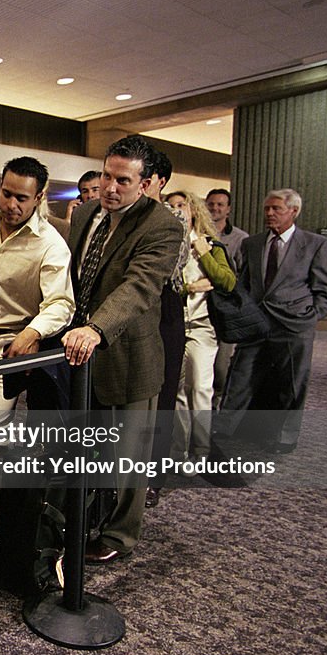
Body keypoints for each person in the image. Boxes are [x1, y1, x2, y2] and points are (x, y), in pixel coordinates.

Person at [62, 135, 183, 563]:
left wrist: (96, 327)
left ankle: (119, 536)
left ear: (147, 184)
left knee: (129, 457)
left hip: (128, 353)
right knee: (86, 444)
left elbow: (138, 288)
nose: (111, 188)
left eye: (123, 181)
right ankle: (82, 517)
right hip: (77, 355)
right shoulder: (86, 215)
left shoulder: (163, 226)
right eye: (106, 176)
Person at [0, 156, 74, 573]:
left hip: (6, 351)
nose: (11, 204)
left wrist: (34, 331)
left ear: (40, 197)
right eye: (6, 193)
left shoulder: (50, 244)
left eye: (22, 198)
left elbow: (61, 302)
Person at [214, 189, 327, 454]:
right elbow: (245, 283)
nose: (269, 214)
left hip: (294, 325)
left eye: (276, 209)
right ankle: (226, 427)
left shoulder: (315, 245)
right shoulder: (252, 244)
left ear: (293, 211)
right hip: (257, 323)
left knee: (291, 381)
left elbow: (324, 290)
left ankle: (285, 437)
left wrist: (310, 318)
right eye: (267, 208)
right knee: (241, 374)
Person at [165, 191, 235, 462]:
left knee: (201, 389)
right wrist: (192, 286)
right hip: (174, 326)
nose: (176, 210)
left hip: (202, 327)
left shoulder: (209, 245)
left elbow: (227, 282)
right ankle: (179, 450)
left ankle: (202, 450)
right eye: (170, 206)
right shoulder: (166, 245)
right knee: (178, 392)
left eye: (181, 205)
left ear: (193, 209)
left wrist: (204, 254)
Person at [143, 147, 187, 508]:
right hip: (132, 316)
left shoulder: (172, 220)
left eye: (147, 177)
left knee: (163, 399)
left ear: (159, 181)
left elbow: (168, 272)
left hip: (165, 310)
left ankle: (152, 477)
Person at [205, 187, 249, 409]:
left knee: (221, 368)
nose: (215, 208)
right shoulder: (197, 232)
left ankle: (218, 408)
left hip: (226, 308)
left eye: (220, 204)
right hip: (202, 308)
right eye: (211, 203)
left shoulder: (240, 239)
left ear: (228, 209)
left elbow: (243, 275)